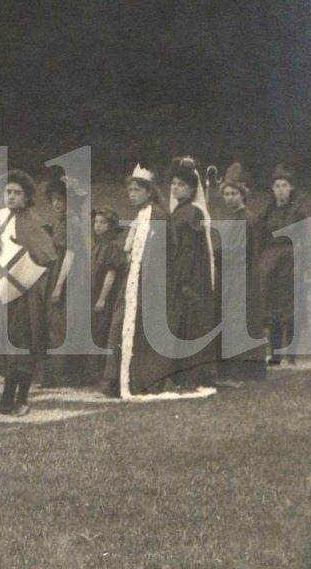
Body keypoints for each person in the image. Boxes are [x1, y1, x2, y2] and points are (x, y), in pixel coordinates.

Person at [105, 165, 179, 398]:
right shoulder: (141, 216)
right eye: (130, 190)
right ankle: (117, 378)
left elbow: (160, 252)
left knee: (142, 329)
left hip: (149, 281)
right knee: (120, 325)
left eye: (137, 190)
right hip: (133, 280)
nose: (132, 194)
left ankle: (143, 379)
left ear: (148, 192)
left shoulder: (156, 215)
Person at [0, 170, 56, 416]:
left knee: (23, 344)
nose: (11, 197)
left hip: (26, 296)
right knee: (9, 347)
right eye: (8, 192)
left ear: (27, 197)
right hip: (4, 292)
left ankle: (22, 399)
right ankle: (6, 399)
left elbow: (46, 258)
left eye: (17, 193)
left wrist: (28, 283)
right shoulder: (1, 219)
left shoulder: (33, 223)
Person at [165, 158, 218, 390]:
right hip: (183, 272)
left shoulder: (190, 213)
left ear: (192, 188)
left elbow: (187, 250)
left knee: (189, 319)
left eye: (180, 184)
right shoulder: (181, 210)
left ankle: (191, 372)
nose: (175, 187)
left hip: (189, 276)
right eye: (173, 183)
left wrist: (182, 279)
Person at [213, 164, 268, 382]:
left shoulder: (246, 219)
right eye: (226, 194)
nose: (229, 198)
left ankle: (244, 369)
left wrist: (215, 255)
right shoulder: (230, 219)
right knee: (229, 319)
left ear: (242, 195)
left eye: (233, 193)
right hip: (229, 276)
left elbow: (237, 252)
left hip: (241, 277)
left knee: (239, 320)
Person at [41, 175, 90, 388]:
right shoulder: (63, 221)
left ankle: (63, 374)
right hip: (60, 270)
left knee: (62, 321)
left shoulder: (72, 221)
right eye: (54, 199)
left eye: (61, 199)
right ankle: (56, 372)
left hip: (69, 274)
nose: (57, 203)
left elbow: (70, 253)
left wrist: (59, 285)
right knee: (56, 321)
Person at [257, 164, 309, 365]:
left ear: (291, 188)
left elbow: (306, 242)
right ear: (272, 189)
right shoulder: (267, 211)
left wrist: (305, 269)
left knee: (291, 309)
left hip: (290, 259)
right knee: (272, 309)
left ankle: (292, 354)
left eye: (284, 185)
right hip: (270, 261)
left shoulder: (297, 213)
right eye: (277, 185)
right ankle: (276, 353)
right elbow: (259, 234)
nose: (280, 189)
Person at [86, 205, 127, 387]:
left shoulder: (110, 247)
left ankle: (104, 371)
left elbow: (111, 273)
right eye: (96, 222)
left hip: (105, 294)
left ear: (111, 226)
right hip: (95, 290)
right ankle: (94, 371)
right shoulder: (99, 244)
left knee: (102, 329)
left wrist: (102, 298)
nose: (98, 225)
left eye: (103, 222)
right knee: (95, 329)